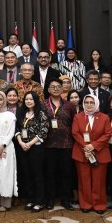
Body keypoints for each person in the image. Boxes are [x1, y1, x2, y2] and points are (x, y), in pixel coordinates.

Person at [71, 94, 111, 214]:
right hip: (81, 152)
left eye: (92, 102)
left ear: (96, 104)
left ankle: (99, 205)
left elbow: (107, 134)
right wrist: (85, 146)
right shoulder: (78, 117)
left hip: (100, 152)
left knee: (99, 181)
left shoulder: (104, 117)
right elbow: (75, 133)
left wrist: (93, 146)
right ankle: (86, 204)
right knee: (84, 180)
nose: (89, 105)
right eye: (86, 102)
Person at [42, 80, 76, 210]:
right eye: (53, 87)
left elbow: (74, 123)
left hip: (66, 144)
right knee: (49, 173)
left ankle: (66, 200)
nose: (56, 89)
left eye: (58, 87)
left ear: (62, 89)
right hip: (48, 144)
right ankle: (50, 199)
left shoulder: (69, 105)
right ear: (48, 90)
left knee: (66, 174)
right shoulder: (43, 104)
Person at [15, 91, 49, 212]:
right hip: (22, 147)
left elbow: (43, 131)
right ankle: (30, 199)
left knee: (37, 175)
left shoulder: (41, 114)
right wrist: (21, 142)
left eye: (31, 99)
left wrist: (29, 143)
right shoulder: (21, 112)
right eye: (26, 99)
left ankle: (40, 201)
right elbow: (16, 129)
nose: (28, 101)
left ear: (35, 101)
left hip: (36, 148)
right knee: (27, 174)